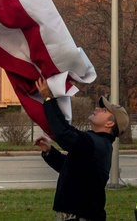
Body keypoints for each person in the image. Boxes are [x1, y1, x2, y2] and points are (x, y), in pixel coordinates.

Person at [33, 78, 130, 221]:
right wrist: (50, 152)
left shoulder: (96, 144)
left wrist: (48, 99)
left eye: (103, 110)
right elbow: (72, 167)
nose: (97, 108)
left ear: (110, 123)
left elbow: (64, 134)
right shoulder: (97, 143)